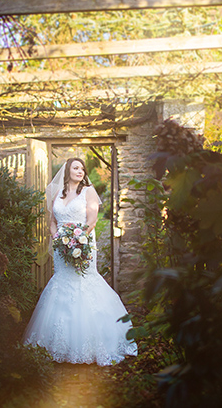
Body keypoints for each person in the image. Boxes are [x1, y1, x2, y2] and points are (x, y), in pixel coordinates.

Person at [23, 157, 138, 366]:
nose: (80, 171)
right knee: (62, 282)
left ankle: (94, 342)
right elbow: (52, 222)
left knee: (84, 282)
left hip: (83, 244)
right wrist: (58, 239)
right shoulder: (58, 193)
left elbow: (92, 221)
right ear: (67, 170)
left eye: (82, 168)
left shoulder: (88, 192)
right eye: (76, 168)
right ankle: (58, 344)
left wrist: (78, 241)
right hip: (61, 247)